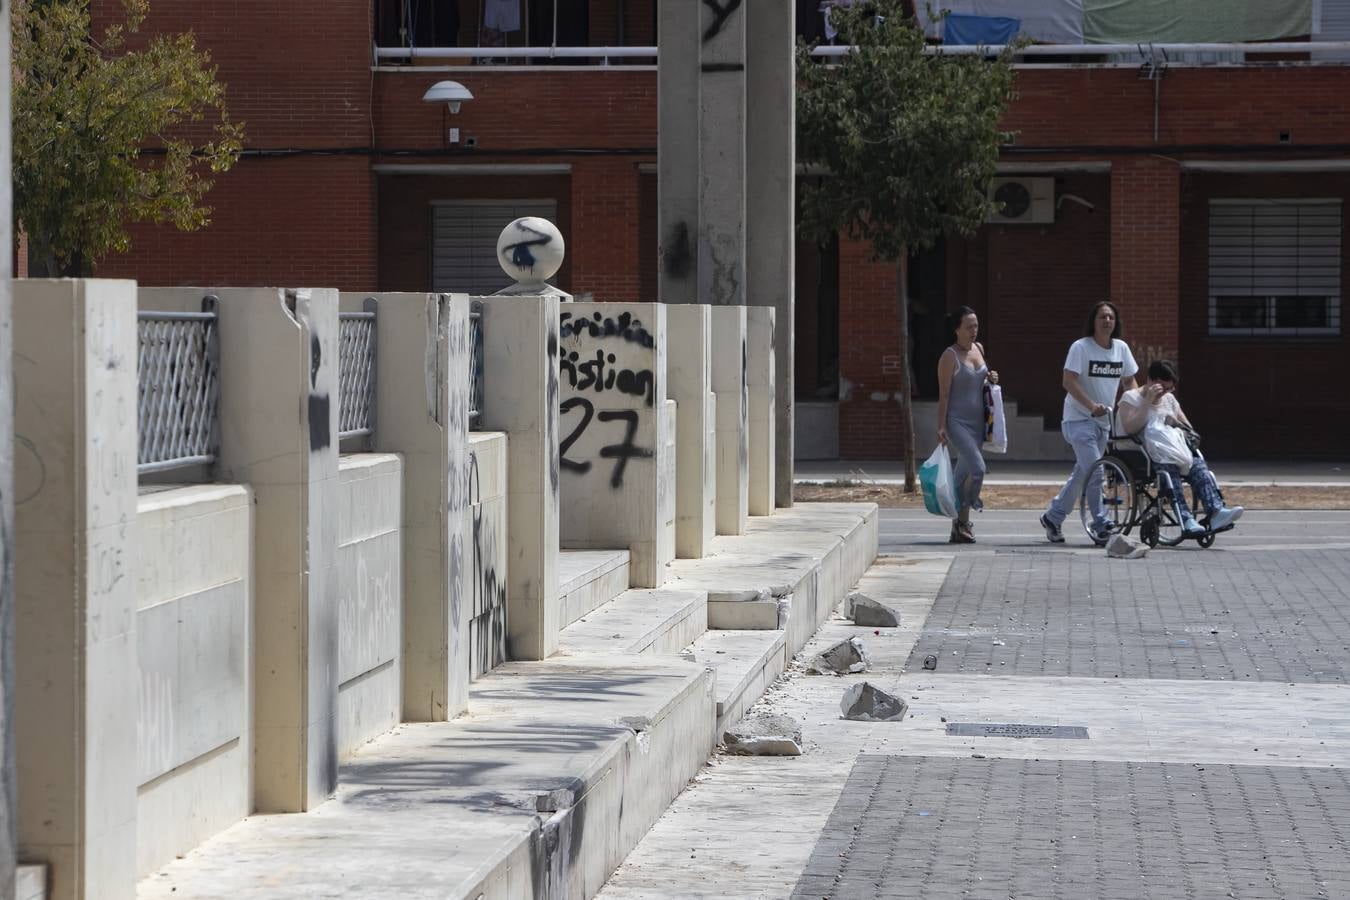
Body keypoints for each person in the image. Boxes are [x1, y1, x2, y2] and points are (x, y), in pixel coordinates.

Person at [1040, 301, 1138, 543]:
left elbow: (1130, 383)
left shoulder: (1121, 349)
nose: (1107, 321)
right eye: (1102, 317)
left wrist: (1135, 407)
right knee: (1096, 472)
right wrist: (1091, 406)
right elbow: (1068, 380)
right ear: (1093, 322)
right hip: (1078, 420)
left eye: (1111, 318)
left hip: (1104, 423)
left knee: (1084, 472)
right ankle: (1101, 522)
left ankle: (1053, 517)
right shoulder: (1081, 348)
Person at [1117, 359, 1244, 536]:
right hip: (1144, 454)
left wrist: (1175, 423)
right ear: (1150, 380)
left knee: (1198, 466)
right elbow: (1130, 428)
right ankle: (1186, 519)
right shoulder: (1131, 398)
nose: (1166, 392)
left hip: (1174, 451)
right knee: (1170, 471)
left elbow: (1189, 430)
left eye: (1169, 389)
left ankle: (1216, 512)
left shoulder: (1169, 401)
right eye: (1162, 387)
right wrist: (1147, 402)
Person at [936, 306, 999, 544]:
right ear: (957, 330)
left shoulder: (979, 349)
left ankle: (959, 526)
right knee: (978, 469)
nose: (974, 331)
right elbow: (944, 394)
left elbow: (981, 379)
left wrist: (991, 377)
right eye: (969, 327)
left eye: (976, 326)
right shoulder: (949, 356)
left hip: (979, 422)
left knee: (961, 476)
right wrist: (940, 427)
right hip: (956, 422)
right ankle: (966, 511)